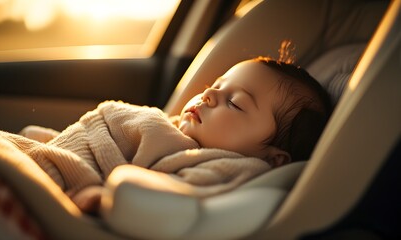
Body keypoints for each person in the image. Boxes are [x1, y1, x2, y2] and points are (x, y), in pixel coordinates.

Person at [17, 55, 331, 213]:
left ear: (273, 158)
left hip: (51, 188)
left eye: (235, 103)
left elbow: (172, 197)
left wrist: (106, 197)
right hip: (38, 158)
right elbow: (93, 137)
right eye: (215, 85)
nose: (208, 95)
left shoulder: (230, 166)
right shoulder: (175, 130)